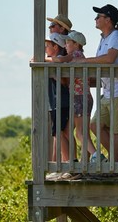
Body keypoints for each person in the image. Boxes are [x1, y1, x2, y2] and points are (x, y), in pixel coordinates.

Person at [75, 4, 118, 162]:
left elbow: (109, 59)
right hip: (109, 91)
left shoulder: (116, 36)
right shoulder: (105, 38)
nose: (95, 19)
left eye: (98, 16)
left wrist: (84, 62)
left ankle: (113, 165)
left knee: (117, 130)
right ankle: (114, 162)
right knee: (95, 125)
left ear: (108, 20)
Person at [49, 30, 96, 161]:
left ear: (76, 44)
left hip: (78, 98)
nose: (65, 45)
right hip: (83, 97)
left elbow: (58, 59)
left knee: (80, 133)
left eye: (68, 42)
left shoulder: (74, 55)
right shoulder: (80, 56)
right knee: (76, 131)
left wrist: (44, 59)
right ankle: (79, 161)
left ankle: (96, 156)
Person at [43, 33, 72, 180]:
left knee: (58, 133)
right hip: (55, 102)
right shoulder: (53, 61)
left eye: (48, 46)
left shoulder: (61, 62)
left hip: (62, 101)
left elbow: (64, 82)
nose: (45, 48)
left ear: (56, 47)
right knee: (62, 132)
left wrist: (56, 75)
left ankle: (70, 165)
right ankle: (66, 165)